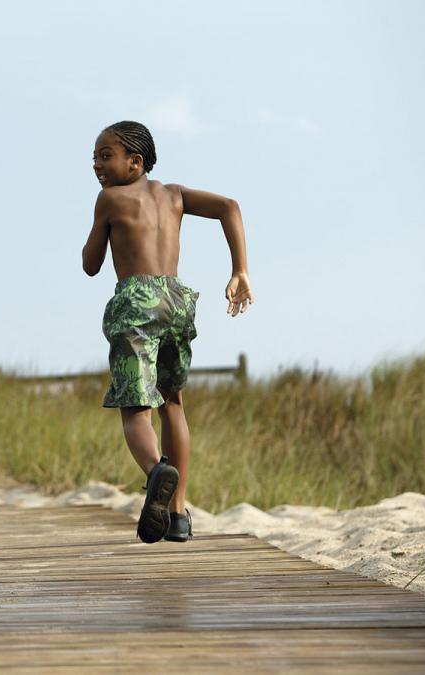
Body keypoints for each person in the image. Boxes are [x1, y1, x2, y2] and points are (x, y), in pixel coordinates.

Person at [82, 121, 253, 544]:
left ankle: (158, 471)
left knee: (135, 408)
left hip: (136, 300)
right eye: (95, 158)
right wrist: (240, 270)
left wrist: (99, 228)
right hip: (177, 299)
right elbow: (229, 206)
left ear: (135, 162)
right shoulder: (174, 195)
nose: (97, 165)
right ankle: (178, 516)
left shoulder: (109, 199)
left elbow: (90, 264)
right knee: (173, 403)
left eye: (106, 156)